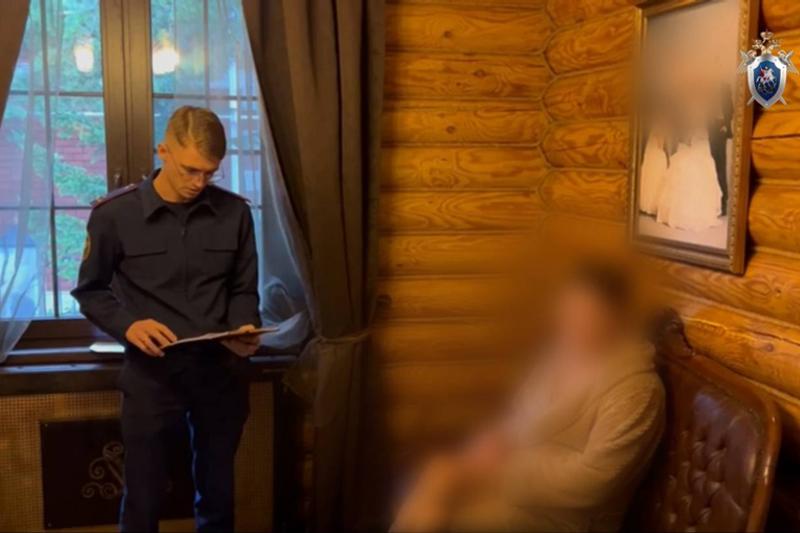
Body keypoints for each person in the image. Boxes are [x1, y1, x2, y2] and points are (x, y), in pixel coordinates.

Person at [71, 106, 262, 532]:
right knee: (143, 495)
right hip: (151, 375)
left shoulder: (235, 212)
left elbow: (243, 289)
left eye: (209, 173)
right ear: (163, 151)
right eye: (190, 170)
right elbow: (90, 292)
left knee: (218, 492)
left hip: (221, 373)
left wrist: (245, 326)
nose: (199, 183)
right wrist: (129, 326)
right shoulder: (114, 215)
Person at [391, 264, 665, 532]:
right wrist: (494, 441)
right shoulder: (560, 354)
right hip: (519, 489)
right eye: (569, 310)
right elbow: (520, 416)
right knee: (438, 475)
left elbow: (595, 482)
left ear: (614, 317)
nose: (573, 323)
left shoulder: (636, 391)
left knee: (451, 516)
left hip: (568, 517)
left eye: (586, 313)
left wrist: (504, 469)